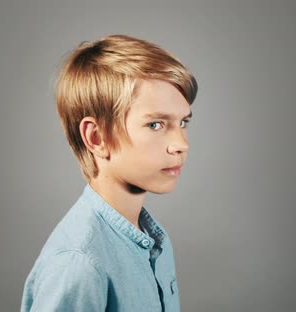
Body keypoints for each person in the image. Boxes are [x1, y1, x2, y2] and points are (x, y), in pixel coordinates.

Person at [20, 34, 198, 312]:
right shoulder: (80, 264)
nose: (181, 144)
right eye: (155, 124)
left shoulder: (153, 239)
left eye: (183, 122)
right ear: (97, 138)